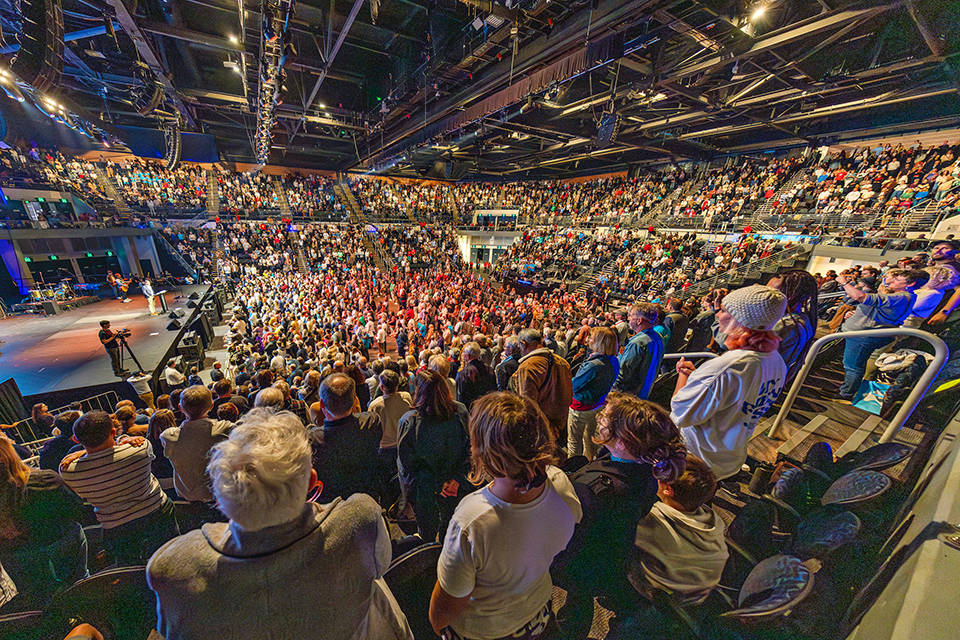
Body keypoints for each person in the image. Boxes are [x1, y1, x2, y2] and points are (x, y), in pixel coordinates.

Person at [147, 409, 414, 640]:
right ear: (312, 482)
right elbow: (382, 565)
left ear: (219, 497)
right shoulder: (360, 518)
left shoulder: (170, 567)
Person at [429, 393, 582, 640]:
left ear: (485, 452)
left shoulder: (471, 519)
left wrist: (436, 625)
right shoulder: (560, 483)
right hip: (539, 615)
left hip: (488, 630)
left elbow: (446, 606)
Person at [553, 394, 688, 637]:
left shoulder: (592, 490)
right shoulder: (648, 467)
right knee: (580, 596)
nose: (599, 419)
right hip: (610, 553)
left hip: (579, 558)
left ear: (623, 443)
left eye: (605, 419)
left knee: (576, 595)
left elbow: (566, 533)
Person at [671, 285, 788, 480]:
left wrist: (683, 374)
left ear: (740, 320)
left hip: (696, 462)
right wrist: (701, 380)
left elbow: (681, 414)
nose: (717, 315)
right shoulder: (776, 361)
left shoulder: (725, 368)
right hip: (729, 457)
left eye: (724, 310)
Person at [59, 410, 179, 565]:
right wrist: (125, 439)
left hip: (116, 527)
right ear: (113, 432)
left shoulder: (68, 470)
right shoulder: (140, 448)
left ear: (76, 439)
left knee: (131, 568)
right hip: (157, 513)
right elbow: (120, 447)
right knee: (174, 555)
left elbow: (96, 454)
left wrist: (83, 452)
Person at [0, 434, 88, 609]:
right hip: (62, 542)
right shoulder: (44, 479)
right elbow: (76, 509)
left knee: (42, 595)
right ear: (12, 453)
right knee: (79, 584)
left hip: (17, 556)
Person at [629, 454, 728, 604]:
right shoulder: (714, 519)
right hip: (700, 592)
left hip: (662, 596)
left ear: (667, 489)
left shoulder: (650, 519)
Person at [397, 369, 471, 542]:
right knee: (454, 531)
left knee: (427, 534)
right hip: (455, 487)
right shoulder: (459, 411)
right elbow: (470, 449)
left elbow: (406, 465)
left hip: (426, 490)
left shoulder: (409, 420)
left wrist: (414, 494)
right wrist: (458, 479)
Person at [836, 268, 930, 400]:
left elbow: (859, 296)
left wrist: (844, 283)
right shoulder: (902, 296)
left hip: (864, 336)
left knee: (853, 366)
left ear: (910, 284)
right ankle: (847, 388)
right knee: (854, 364)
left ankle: (846, 393)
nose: (891, 281)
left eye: (897, 279)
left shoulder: (901, 297)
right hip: (864, 333)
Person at [309, 373, 384, 503]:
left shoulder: (312, 439)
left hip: (331, 508)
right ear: (355, 400)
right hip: (367, 501)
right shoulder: (371, 422)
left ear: (322, 404)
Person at [160, 385, 233, 503]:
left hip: (188, 498)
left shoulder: (168, 436)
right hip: (219, 495)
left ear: (180, 407)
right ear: (211, 406)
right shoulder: (225, 428)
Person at [567, 327, 620, 459]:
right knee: (590, 439)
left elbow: (574, 385)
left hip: (581, 408)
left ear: (600, 343)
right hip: (598, 405)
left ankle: (574, 469)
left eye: (592, 338)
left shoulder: (593, 365)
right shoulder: (614, 360)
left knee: (574, 442)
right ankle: (590, 462)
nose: (588, 340)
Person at [511, 329, 573, 440]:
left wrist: (547, 426)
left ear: (523, 344)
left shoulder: (528, 366)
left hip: (542, 430)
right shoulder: (562, 362)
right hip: (562, 424)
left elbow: (528, 405)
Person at [767, 270, 819, 381]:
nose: (764, 295)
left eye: (773, 292)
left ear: (795, 295)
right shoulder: (803, 318)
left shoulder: (785, 325)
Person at [614, 303, 664, 400]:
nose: (628, 319)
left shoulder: (637, 343)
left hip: (628, 396)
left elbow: (623, 375)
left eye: (631, 316)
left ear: (639, 320)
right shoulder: (659, 338)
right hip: (644, 393)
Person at [456, 342, 497, 410]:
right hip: (488, 407)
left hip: (472, 409)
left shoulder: (464, 373)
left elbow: (462, 396)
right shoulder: (489, 369)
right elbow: (494, 389)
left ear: (468, 355)